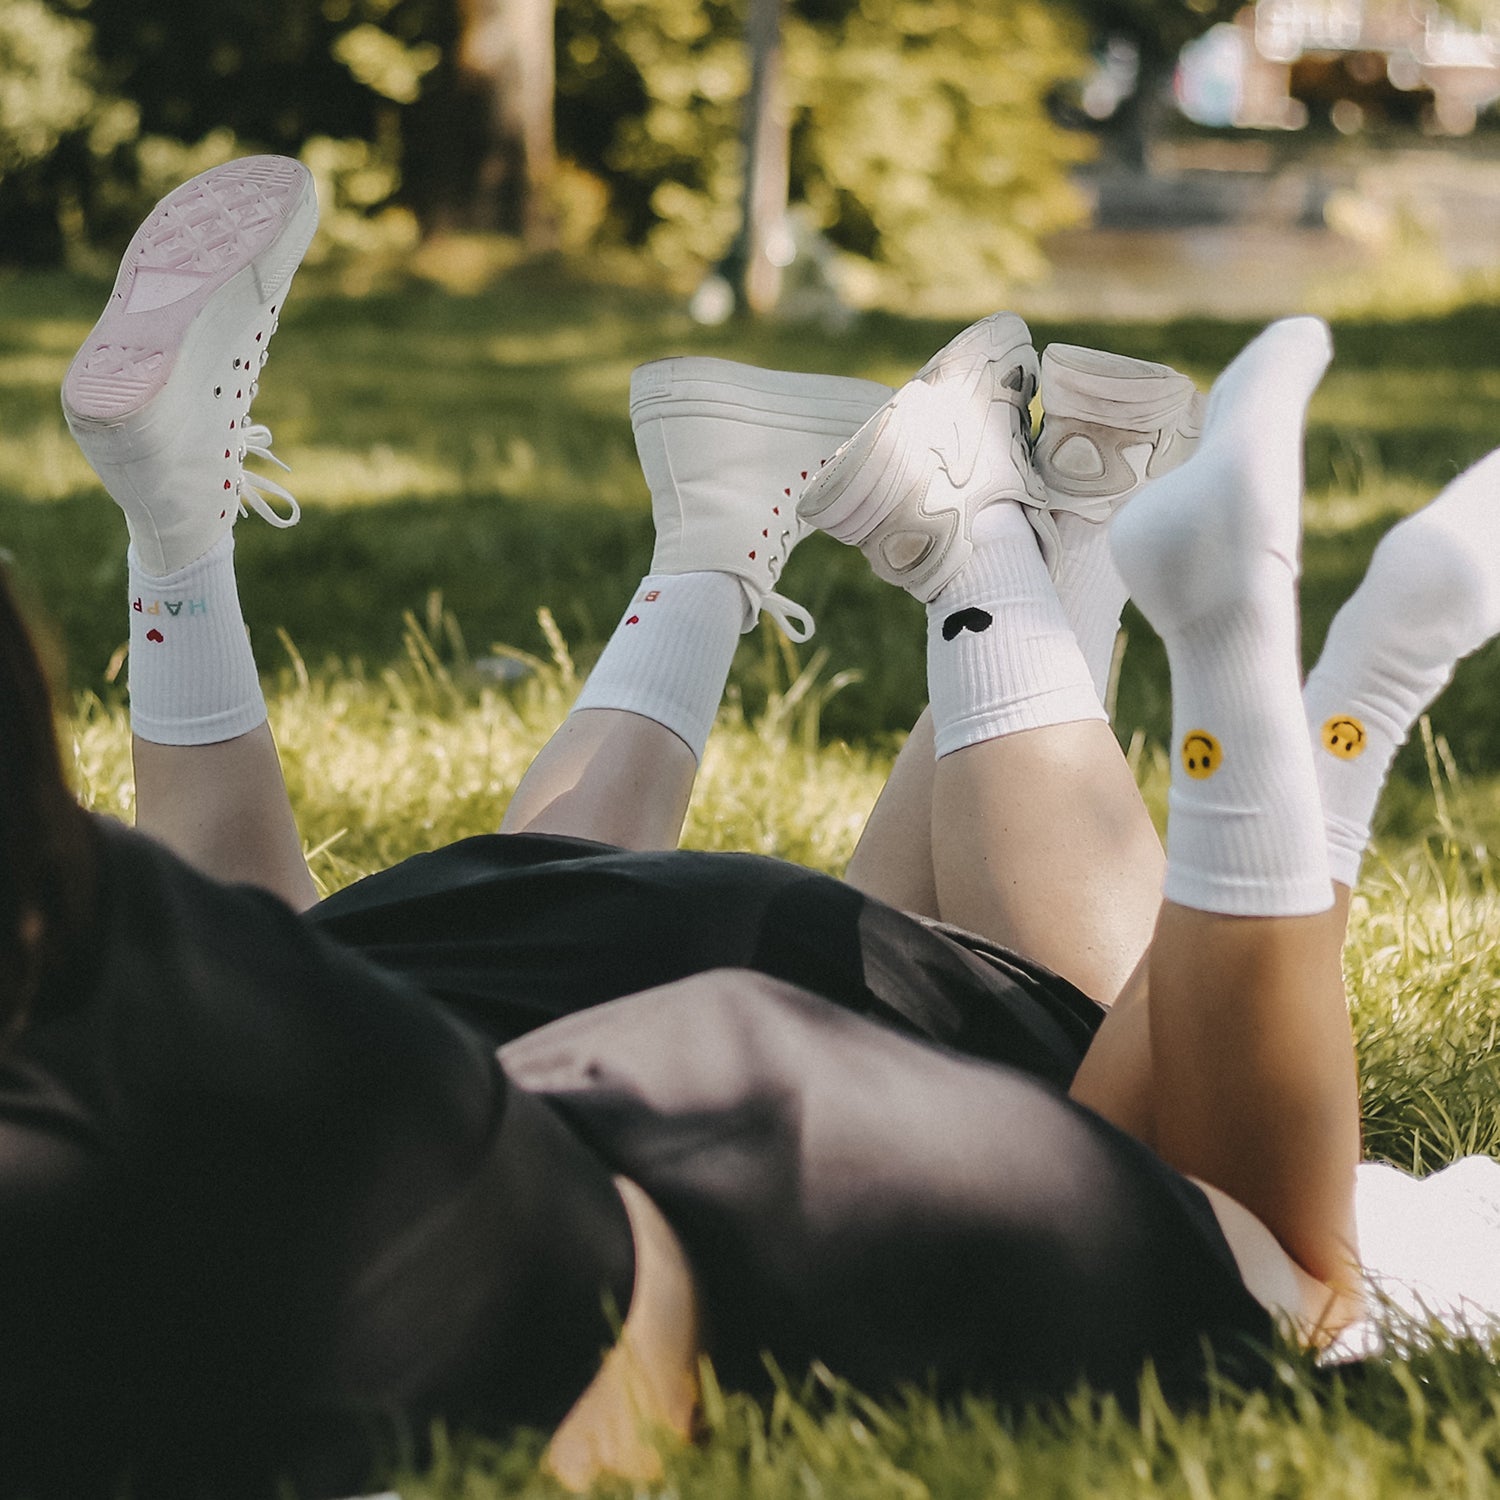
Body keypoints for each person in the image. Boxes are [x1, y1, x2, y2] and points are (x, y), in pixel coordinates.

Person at [4, 153, 1498, 1499]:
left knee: (1258, 1240)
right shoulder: (134, 1003)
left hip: (744, 1120)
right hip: (536, 994)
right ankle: (1019, 545)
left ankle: (1207, 627)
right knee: (1232, 1216)